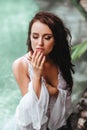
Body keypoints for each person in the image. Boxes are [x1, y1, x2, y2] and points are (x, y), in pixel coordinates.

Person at [12, 11, 74, 130]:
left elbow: (67, 93)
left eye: (47, 38)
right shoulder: (21, 65)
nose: (39, 43)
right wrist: (36, 75)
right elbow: (31, 111)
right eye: (35, 36)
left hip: (61, 122)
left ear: (56, 40)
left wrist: (54, 91)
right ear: (30, 37)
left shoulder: (59, 59)